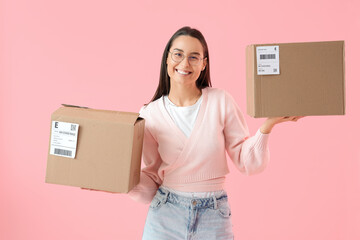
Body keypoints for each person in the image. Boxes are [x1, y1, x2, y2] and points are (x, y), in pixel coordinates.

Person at [128, 26, 304, 240]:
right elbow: (153, 178)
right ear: (167, 59)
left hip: (213, 216)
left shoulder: (221, 101)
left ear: (204, 64)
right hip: (165, 216)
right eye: (178, 54)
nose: (184, 63)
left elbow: (247, 161)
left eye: (194, 57)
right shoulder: (149, 114)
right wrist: (122, 182)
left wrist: (268, 126)